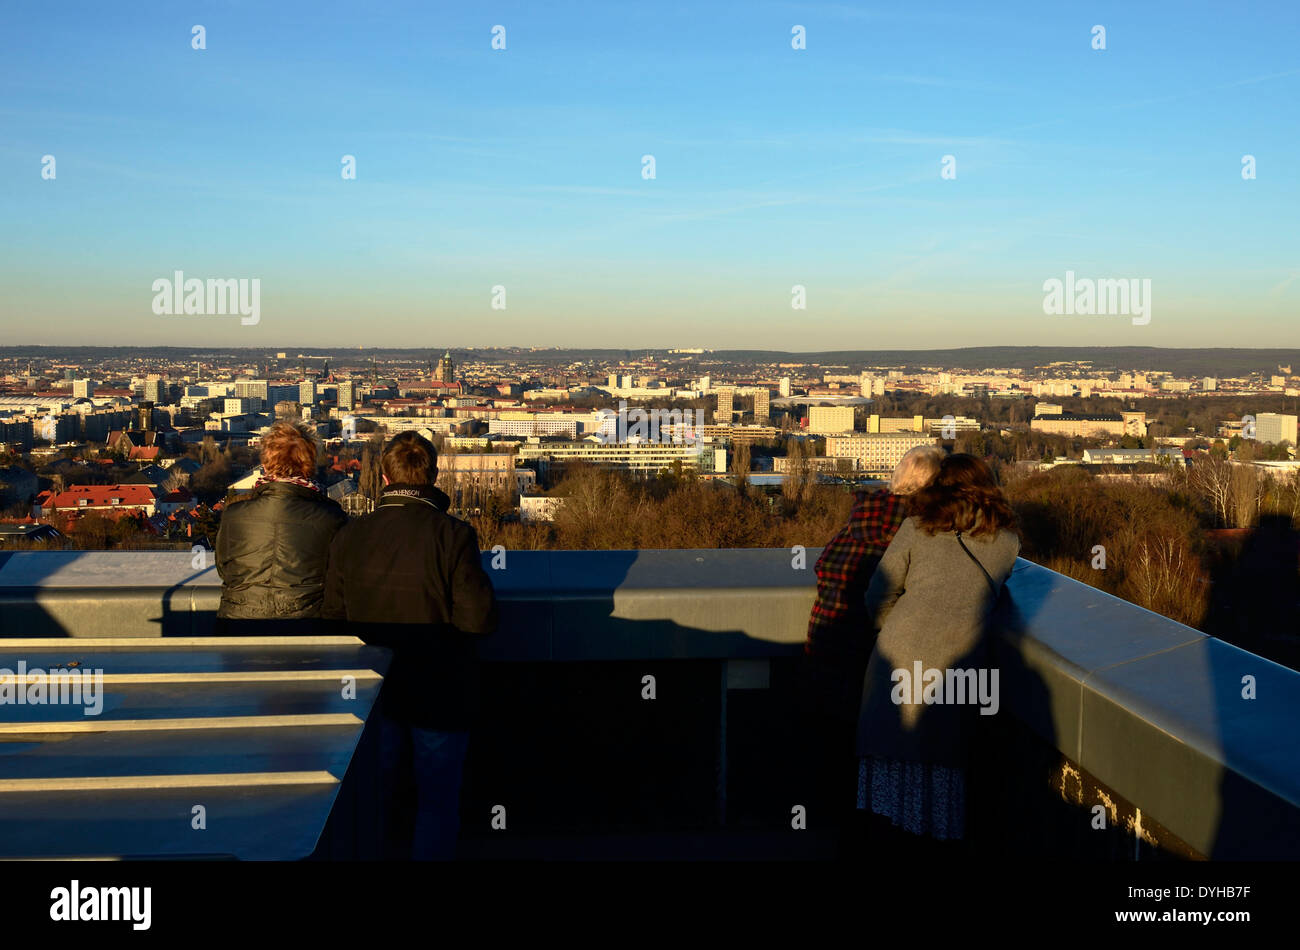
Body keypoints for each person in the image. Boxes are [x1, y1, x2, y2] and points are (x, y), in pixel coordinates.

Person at [323, 431, 497, 860]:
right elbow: (479, 619)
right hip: (438, 691)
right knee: (436, 803)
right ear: (433, 476)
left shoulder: (351, 536)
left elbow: (333, 620)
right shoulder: (453, 535)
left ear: (383, 477)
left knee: (370, 800)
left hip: (368, 695)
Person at [854, 453, 1020, 857]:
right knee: (943, 766)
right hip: (958, 664)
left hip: (898, 656)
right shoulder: (1008, 543)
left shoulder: (916, 528)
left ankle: (885, 844)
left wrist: (895, 631)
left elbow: (879, 592)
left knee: (891, 762)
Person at [801, 445, 944, 852]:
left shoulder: (860, 518)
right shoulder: (918, 533)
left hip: (826, 644)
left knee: (831, 752)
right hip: (871, 660)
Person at [215, 420, 345, 632]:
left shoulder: (234, 515)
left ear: (265, 464)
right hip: (305, 628)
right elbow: (337, 578)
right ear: (308, 465)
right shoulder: (331, 517)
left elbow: (224, 569)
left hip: (238, 627)